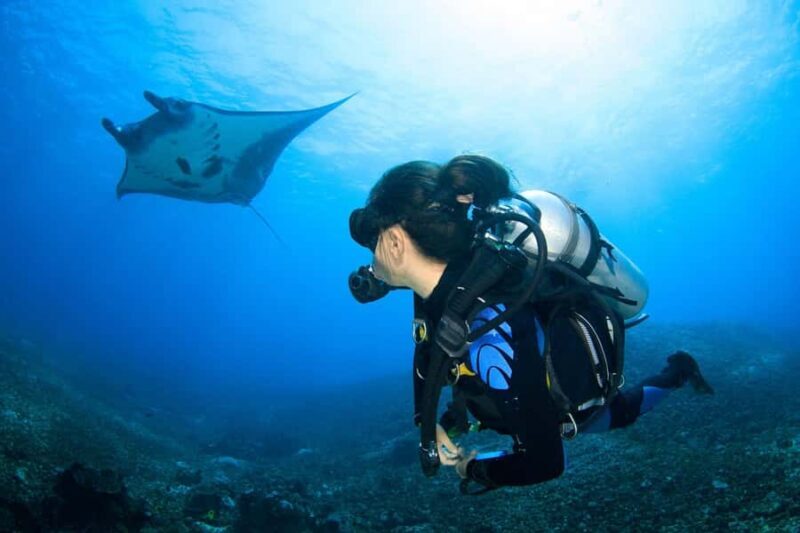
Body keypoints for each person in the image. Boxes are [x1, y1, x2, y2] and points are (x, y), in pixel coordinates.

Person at [349, 155, 713, 491]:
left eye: (372, 243)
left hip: (561, 407)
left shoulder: (489, 327)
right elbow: (429, 352)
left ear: (395, 242)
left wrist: (473, 469)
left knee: (623, 412)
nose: (370, 260)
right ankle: (677, 371)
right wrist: (431, 425)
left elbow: (545, 463)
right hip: (500, 398)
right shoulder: (437, 293)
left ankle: (678, 371)